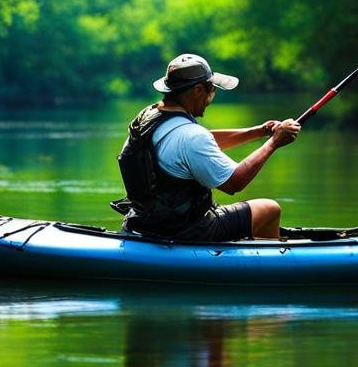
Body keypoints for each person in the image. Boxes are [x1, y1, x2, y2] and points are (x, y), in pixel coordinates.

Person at [117, 54, 300, 240]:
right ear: (197, 90)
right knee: (269, 209)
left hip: (143, 222)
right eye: (210, 90)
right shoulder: (192, 137)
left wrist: (259, 131)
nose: (209, 97)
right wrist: (274, 143)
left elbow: (199, 144)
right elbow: (234, 183)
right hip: (184, 230)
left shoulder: (150, 116)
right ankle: (265, 264)